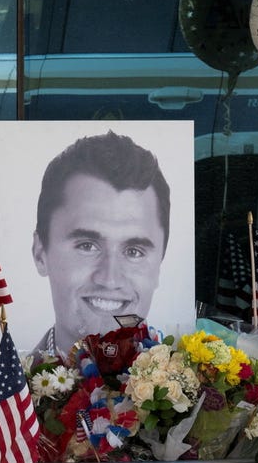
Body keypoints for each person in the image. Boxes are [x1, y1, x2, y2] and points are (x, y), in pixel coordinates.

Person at [31, 130, 171, 357]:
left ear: (160, 264)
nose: (110, 279)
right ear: (40, 253)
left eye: (134, 252)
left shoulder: (195, 376)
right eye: (87, 246)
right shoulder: (4, 379)